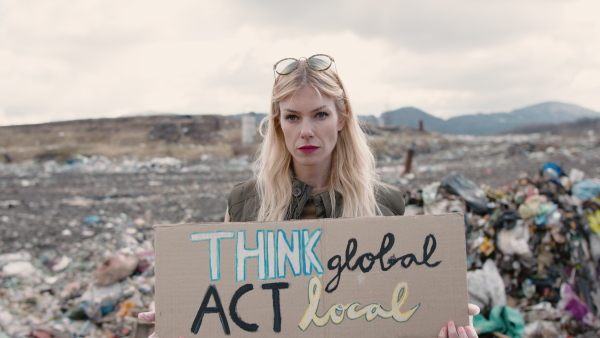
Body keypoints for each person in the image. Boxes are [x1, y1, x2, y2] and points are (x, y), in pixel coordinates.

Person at [139, 54, 479, 338]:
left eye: (320, 114)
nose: (306, 132)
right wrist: (182, 317)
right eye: (292, 117)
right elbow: (226, 306)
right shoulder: (245, 203)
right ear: (278, 124)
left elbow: (395, 312)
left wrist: (441, 317)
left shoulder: (385, 204)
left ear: (342, 118)